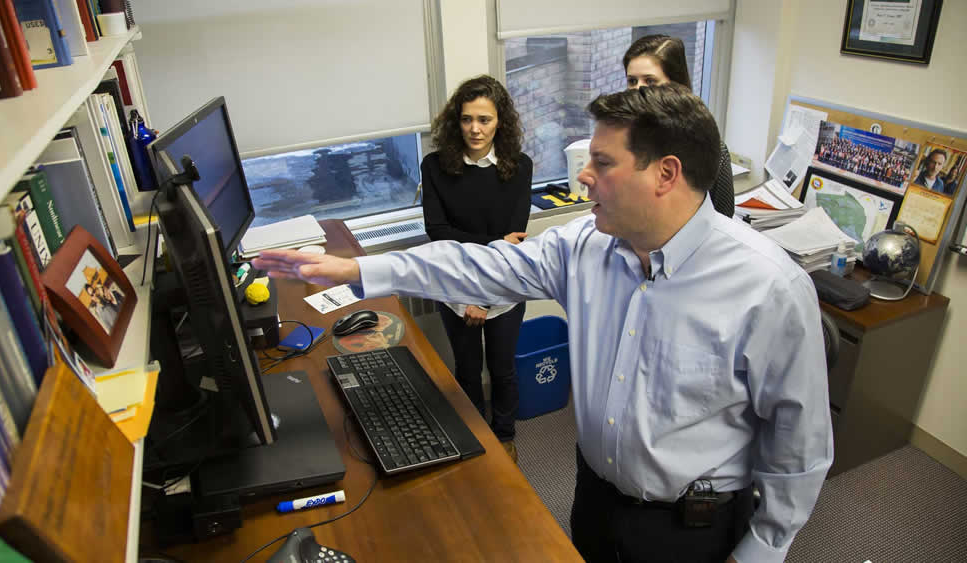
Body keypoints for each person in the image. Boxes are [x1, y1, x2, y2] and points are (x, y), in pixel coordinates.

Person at [254, 84, 832, 563]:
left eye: (601, 164)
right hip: (593, 500)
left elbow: (800, 447)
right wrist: (359, 267)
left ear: (666, 174)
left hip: (689, 531)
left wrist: (762, 549)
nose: (583, 178)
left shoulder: (769, 289)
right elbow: (480, 264)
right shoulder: (587, 246)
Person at [420, 75, 532, 461]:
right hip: (454, 288)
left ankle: (504, 438)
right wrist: (472, 288)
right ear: (456, 120)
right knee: (467, 372)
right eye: (467, 119)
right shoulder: (434, 167)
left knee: (502, 370)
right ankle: (476, 440)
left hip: (504, 287)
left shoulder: (519, 167)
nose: (475, 129)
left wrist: (484, 297)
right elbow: (439, 234)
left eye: (484, 119)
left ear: (500, 121)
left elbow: (515, 241)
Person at [622, 34, 736, 217]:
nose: (638, 90)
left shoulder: (711, 149)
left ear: (676, 84)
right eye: (632, 81)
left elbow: (723, 218)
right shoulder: (621, 142)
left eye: (650, 81)